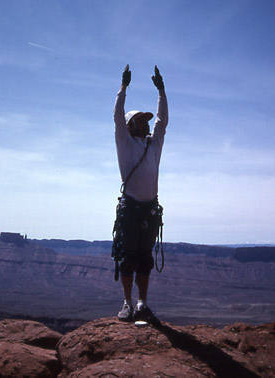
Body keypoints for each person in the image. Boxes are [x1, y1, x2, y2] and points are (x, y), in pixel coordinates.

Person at [112, 64, 168, 323]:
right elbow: (117, 118)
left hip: (148, 210)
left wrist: (162, 91)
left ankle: (142, 303)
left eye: (145, 121)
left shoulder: (153, 146)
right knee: (126, 258)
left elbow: (162, 122)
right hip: (132, 209)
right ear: (130, 125)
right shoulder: (124, 145)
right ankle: (126, 304)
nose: (146, 124)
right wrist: (123, 88)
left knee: (144, 259)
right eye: (140, 121)